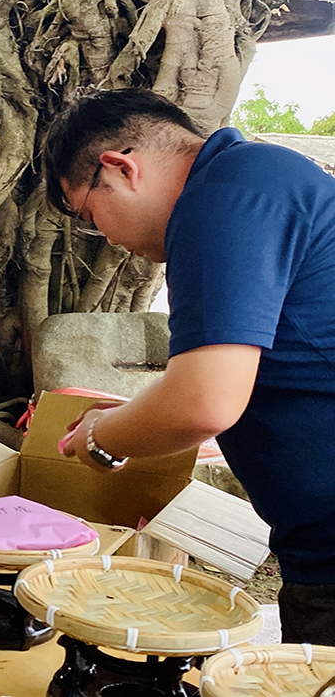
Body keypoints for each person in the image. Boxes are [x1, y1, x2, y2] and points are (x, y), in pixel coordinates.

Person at [44, 88, 335, 645]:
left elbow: (204, 400)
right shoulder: (256, 182)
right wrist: (135, 416)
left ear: (120, 168)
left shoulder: (222, 195)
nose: (105, 238)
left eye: (88, 215)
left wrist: (103, 437)